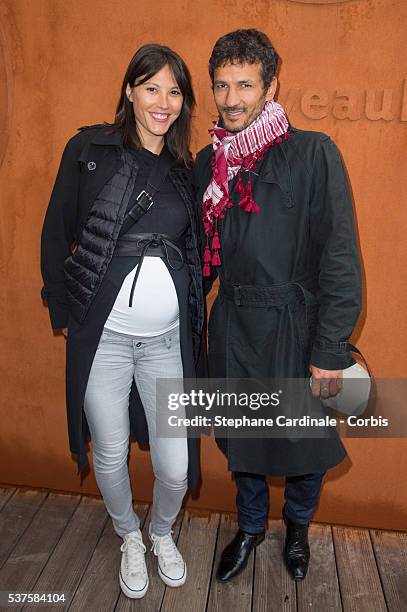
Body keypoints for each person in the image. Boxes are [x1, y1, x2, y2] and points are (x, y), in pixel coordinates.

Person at [194, 29, 362, 582]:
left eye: (245, 84)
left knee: (303, 443)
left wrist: (331, 348)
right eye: (222, 85)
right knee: (242, 441)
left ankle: (296, 529)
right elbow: (198, 258)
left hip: (296, 327)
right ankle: (248, 528)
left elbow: (340, 256)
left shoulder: (314, 154)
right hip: (235, 328)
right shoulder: (209, 164)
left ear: (271, 87)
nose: (232, 98)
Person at [40, 44, 205, 599]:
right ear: (130, 90)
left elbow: (200, 251)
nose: (163, 102)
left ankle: (162, 533)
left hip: (165, 345)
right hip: (103, 340)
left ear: (184, 103)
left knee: (176, 466)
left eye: (174, 91)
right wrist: (61, 309)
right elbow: (54, 230)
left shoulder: (186, 169)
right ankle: (129, 535)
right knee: (108, 451)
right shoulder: (89, 148)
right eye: (152, 87)